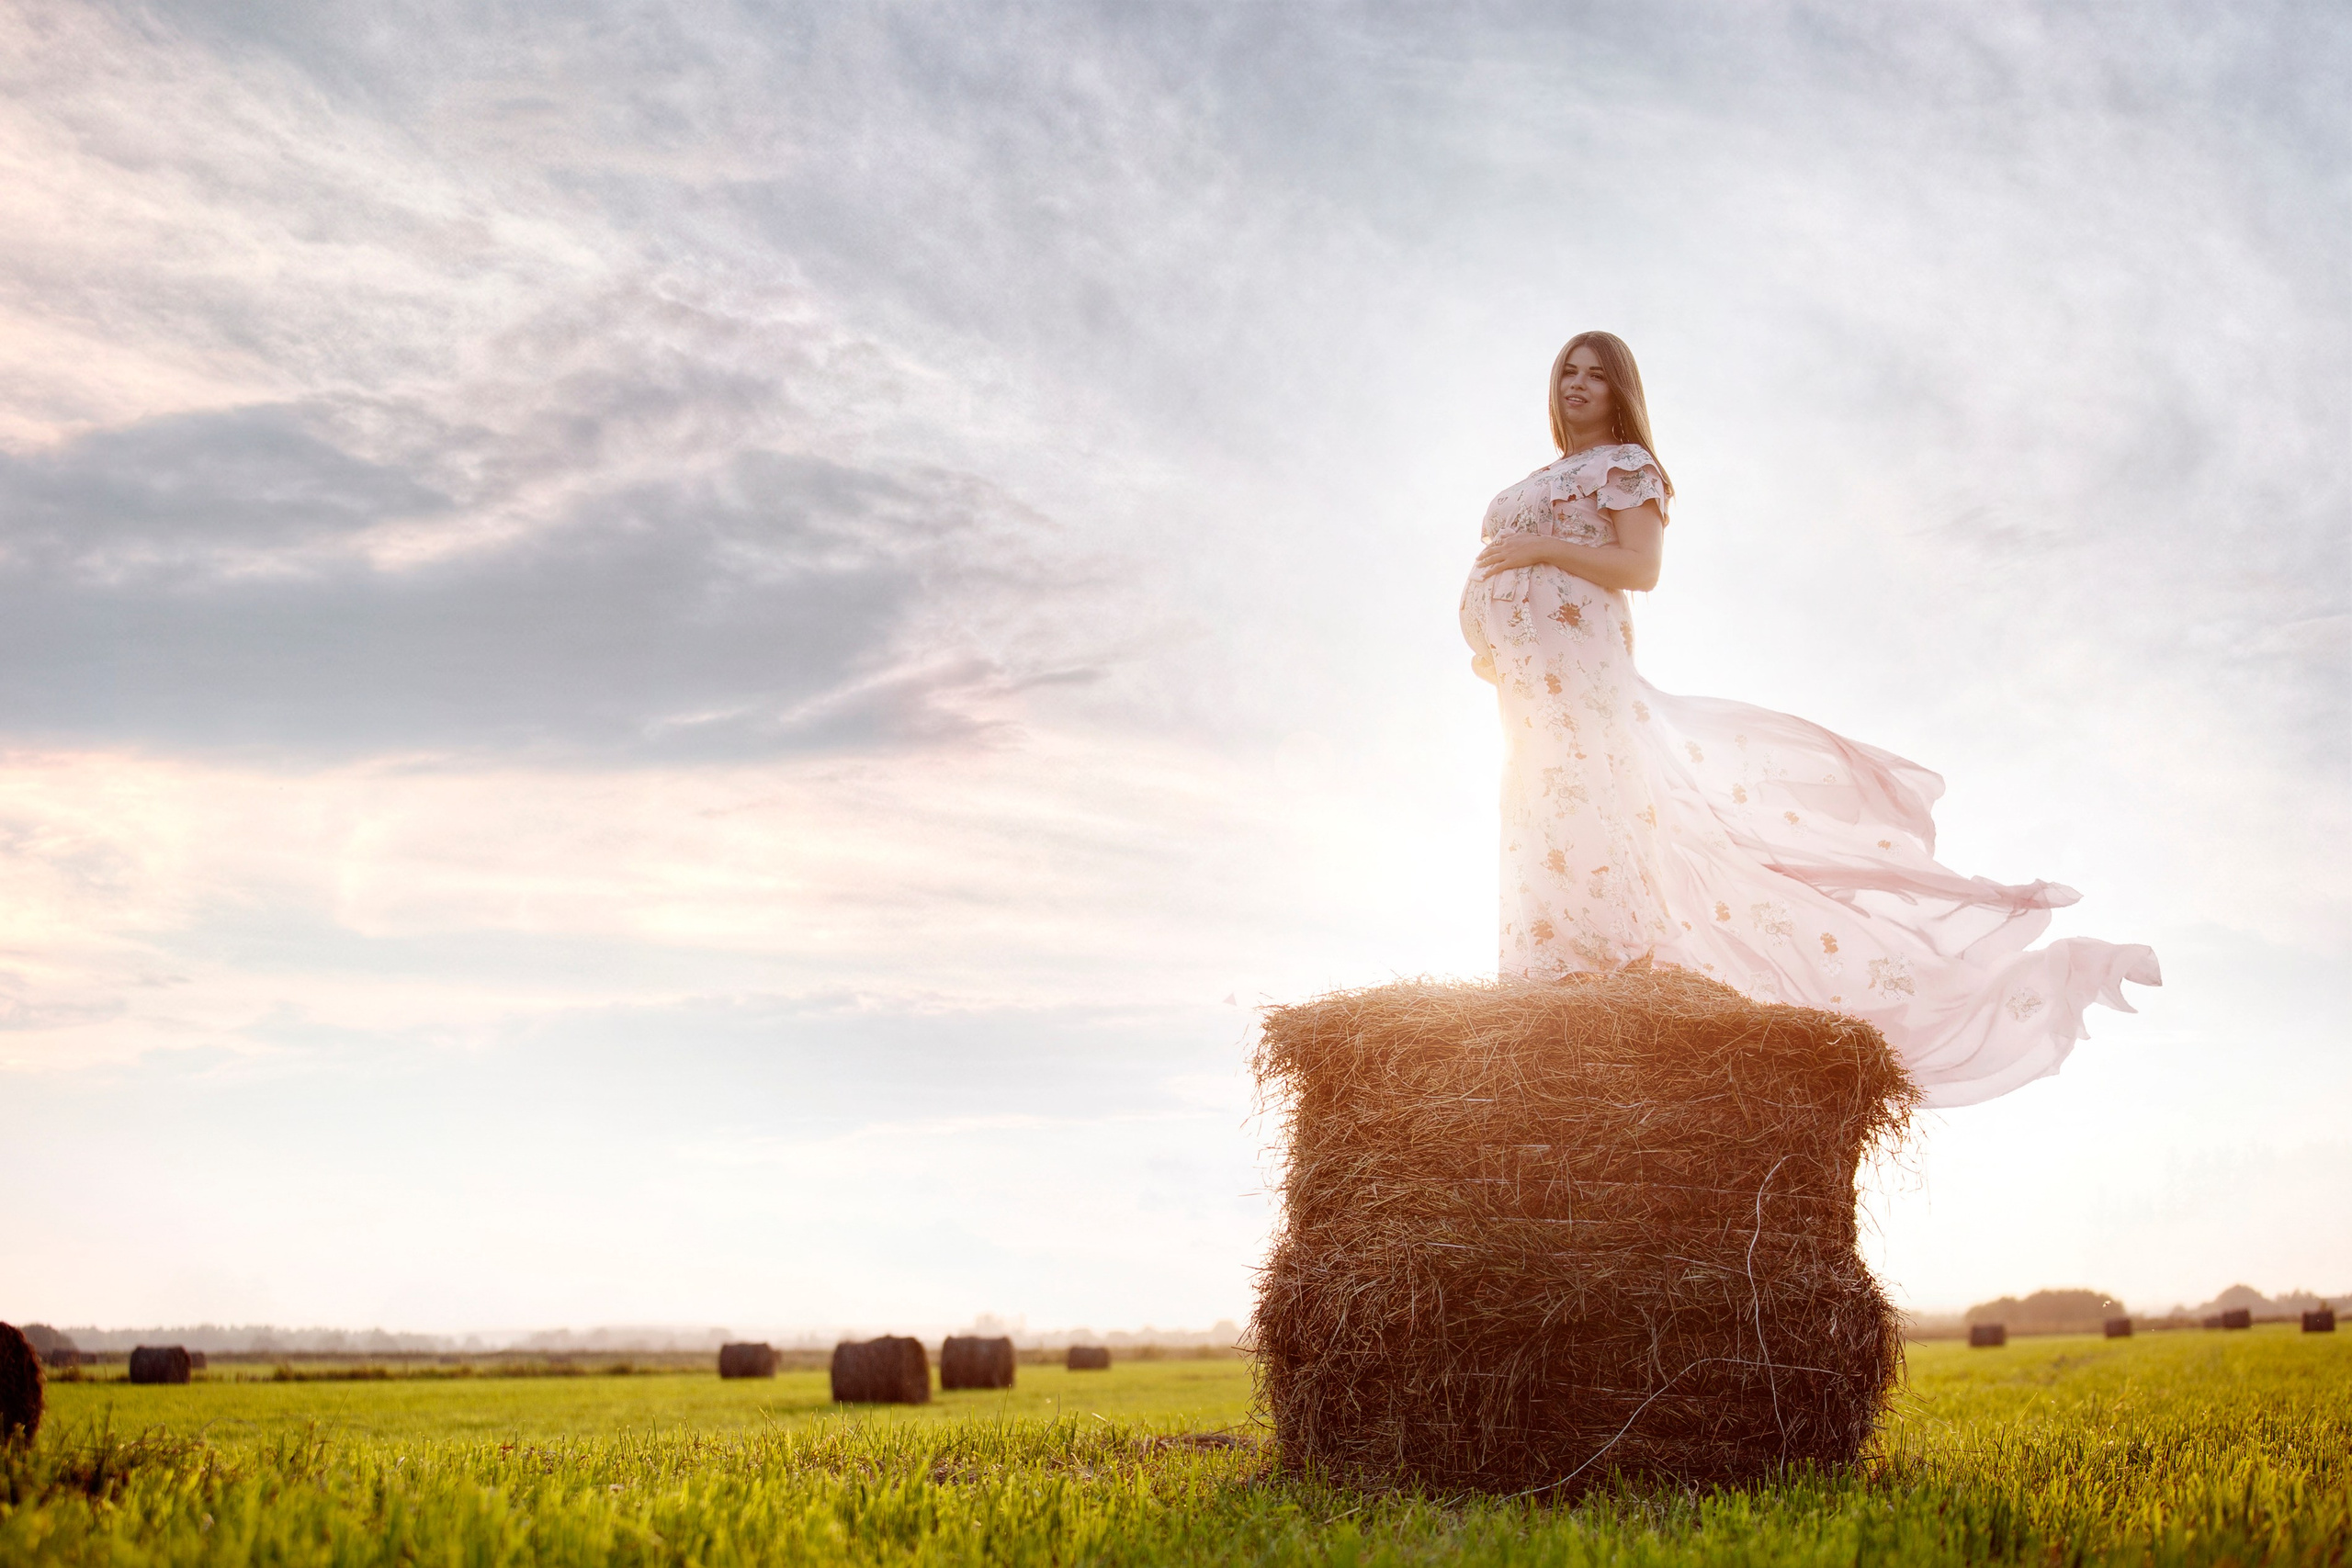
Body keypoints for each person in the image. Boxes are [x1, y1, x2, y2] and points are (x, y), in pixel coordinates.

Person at [1460, 332, 2158, 1106]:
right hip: (1532, 699)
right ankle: (1546, 996)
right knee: (1537, 817)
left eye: (1596, 375)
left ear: (1621, 392)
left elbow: (1641, 568)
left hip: (1588, 687)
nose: (1577, 385)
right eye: (1567, 372)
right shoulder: (1541, 478)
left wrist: (1529, 550)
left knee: (1592, 812)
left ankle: (1605, 981)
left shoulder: (1626, 467)